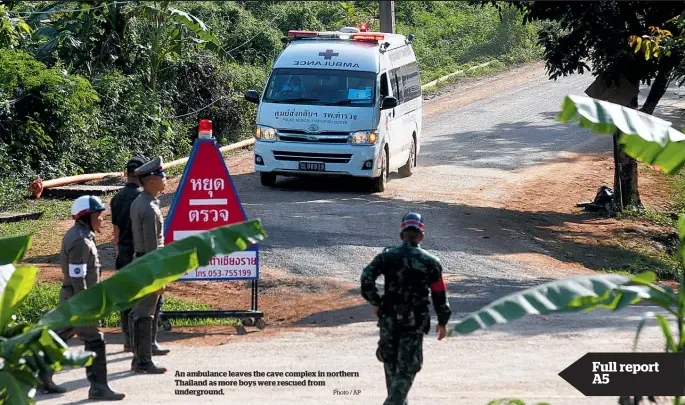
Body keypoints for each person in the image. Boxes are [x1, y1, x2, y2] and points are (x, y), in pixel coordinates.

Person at [360, 212, 451, 405]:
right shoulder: (431, 263)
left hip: (388, 318)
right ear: (421, 236)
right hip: (414, 321)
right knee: (408, 367)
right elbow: (439, 295)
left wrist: (376, 302)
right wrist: (443, 322)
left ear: (402, 235)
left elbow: (366, 278)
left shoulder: (387, 257)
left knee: (391, 364)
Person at [45, 195, 126, 400]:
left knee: (60, 334)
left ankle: (41, 376)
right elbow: (77, 276)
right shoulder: (80, 240)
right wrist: (86, 305)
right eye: (98, 214)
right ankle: (98, 387)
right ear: (86, 216)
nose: (101, 218)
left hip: (73, 297)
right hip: (78, 298)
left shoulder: (83, 234)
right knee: (95, 339)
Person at [128, 156, 168, 374]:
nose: (165, 179)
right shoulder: (150, 208)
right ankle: (143, 361)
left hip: (139, 260)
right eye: (161, 175)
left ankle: (140, 357)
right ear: (151, 180)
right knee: (145, 313)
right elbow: (153, 248)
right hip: (148, 264)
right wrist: (158, 277)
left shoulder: (140, 202)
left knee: (141, 311)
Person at [111, 156, 145, 353]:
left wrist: (119, 251)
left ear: (126, 174)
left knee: (125, 298)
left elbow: (115, 235)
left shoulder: (116, 199)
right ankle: (143, 341)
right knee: (143, 299)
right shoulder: (144, 198)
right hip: (141, 254)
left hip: (123, 253)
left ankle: (127, 338)